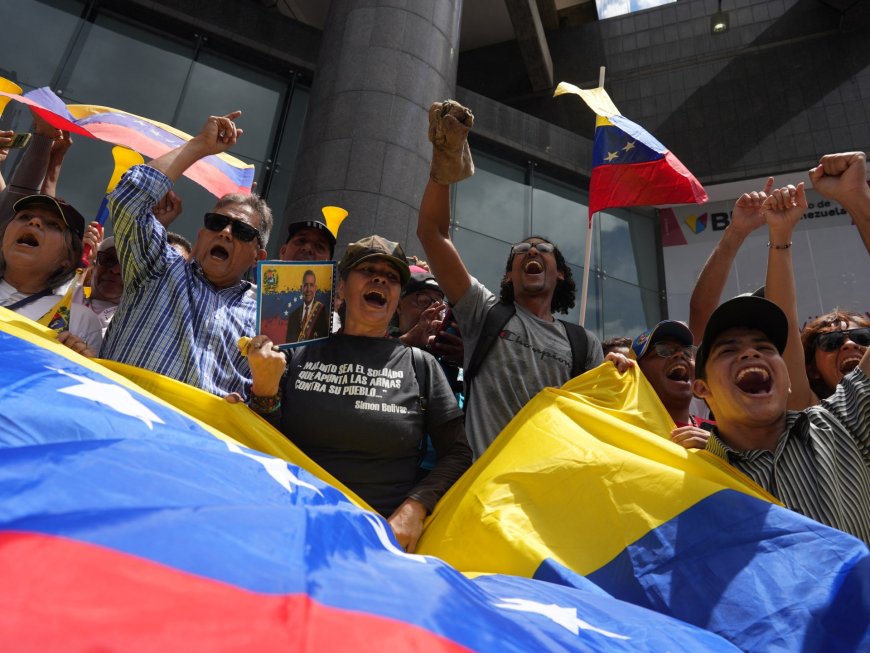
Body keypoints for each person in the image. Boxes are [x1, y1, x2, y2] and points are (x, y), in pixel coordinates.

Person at [246, 235, 472, 553]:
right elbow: (257, 441)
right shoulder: (296, 354)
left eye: (392, 277)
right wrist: (264, 392)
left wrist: (415, 508)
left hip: (378, 544)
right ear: (341, 288)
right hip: (288, 530)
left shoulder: (421, 366)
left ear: (395, 297)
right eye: (367, 270)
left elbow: (458, 453)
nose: (380, 278)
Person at [417, 99, 603, 457]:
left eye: (542, 248)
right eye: (521, 250)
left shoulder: (585, 346)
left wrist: (625, 374)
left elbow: (600, 424)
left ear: (560, 273)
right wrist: (445, 159)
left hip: (551, 495)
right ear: (508, 275)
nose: (531, 251)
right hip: (484, 492)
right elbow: (432, 233)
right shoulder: (482, 311)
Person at [100, 111, 272, 398]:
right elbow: (127, 199)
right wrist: (199, 147)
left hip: (195, 441)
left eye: (241, 231)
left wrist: (247, 405)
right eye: (217, 223)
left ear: (258, 257)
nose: (226, 233)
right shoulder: (156, 269)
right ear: (201, 235)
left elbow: (271, 398)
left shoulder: (265, 320)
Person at [693, 295, 870, 543]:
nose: (751, 353)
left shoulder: (842, 421)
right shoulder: (695, 478)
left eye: (765, 348)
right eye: (728, 350)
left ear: (788, 380)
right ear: (702, 389)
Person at [0, 194, 102, 352]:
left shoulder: (77, 320)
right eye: (24, 216)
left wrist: (76, 360)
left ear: (69, 258)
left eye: (54, 225)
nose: (34, 222)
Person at [630, 320, 711, 449]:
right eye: (663, 350)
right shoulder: (624, 432)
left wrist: (721, 451)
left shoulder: (723, 435)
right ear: (637, 371)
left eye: (687, 352)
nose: (679, 354)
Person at [75, 235, 122, 335]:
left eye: (124, 266)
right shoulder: (69, 298)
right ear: (93, 268)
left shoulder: (129, 325)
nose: (115, 270)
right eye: (108, 260)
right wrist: (83, 260)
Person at [285, 269, 329, 342]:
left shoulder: (322, 311)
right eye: (305, 285)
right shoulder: (293, 316)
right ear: (301, 289)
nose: (308, 289)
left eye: (311, 285)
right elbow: (288, 344)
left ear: (315, 288)